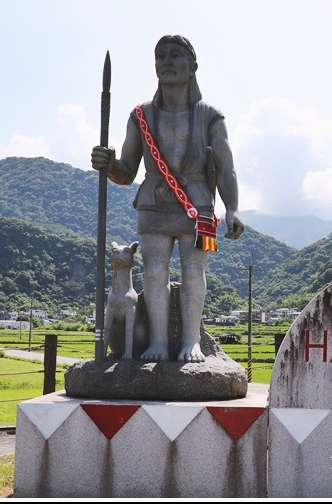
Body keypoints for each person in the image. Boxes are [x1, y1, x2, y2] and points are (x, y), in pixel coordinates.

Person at [92, 34, 244, 363]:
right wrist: (108, 164)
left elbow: (226, 166)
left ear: (193, 67)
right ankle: (158, 342)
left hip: (199, 206)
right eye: (161, 57)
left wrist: (231, 208)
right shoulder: (141, 115)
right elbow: (127, 172)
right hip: (153, 202)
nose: (167, 62)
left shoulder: (210, 115)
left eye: (175, 56)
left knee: (193, 271)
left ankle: (192, 340)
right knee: (154, 272)